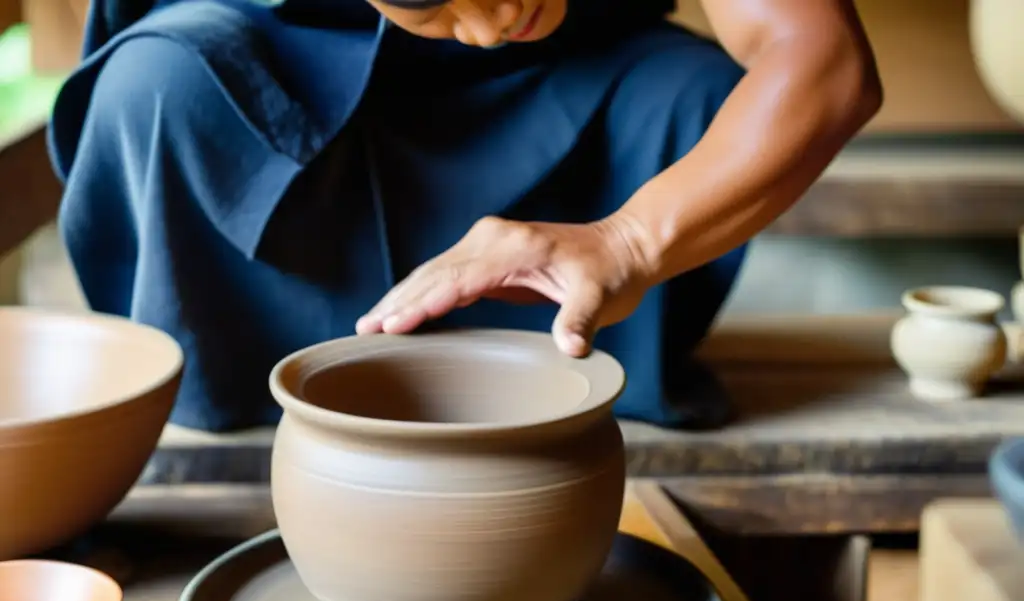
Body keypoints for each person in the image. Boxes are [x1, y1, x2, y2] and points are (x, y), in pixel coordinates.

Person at [48, 0, 881, 433]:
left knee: (701, 98)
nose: (487, 27)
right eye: (433, 3)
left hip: (574, 87)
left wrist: (625, 238)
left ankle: (582, 379)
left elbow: (825, 59)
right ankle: (258, 399)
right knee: (153, 88)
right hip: (299, 80)